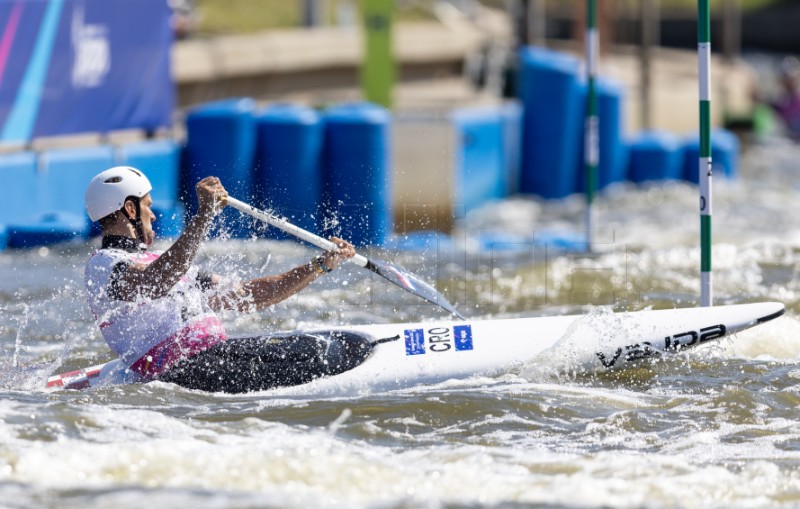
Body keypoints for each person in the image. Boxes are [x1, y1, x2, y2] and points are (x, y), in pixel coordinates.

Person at [83, 166, 363, 393]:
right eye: (147, 206)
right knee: (324, 359)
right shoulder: (104, 264)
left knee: (318, 346)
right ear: (130, 210)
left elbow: (250, 294)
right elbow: (156, 282)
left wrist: (321, 265)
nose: (153, 216)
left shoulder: (162, 263)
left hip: (216, 356)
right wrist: (204, 214)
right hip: (185, 372)